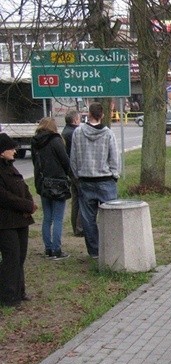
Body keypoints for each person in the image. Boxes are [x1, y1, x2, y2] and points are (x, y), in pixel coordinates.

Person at [70, 102, 120, 259]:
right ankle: (112, 248)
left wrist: (77, 175)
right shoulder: (108, 133)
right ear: (102, 115)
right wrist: (114, 174)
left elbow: (74, 157)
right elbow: (114, 157)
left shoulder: (78, 133)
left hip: (85, 180)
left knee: (88, 219)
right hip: (105, 179)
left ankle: (94, 251)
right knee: (112, 216)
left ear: (89, 114)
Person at [0, 133, 37, 307]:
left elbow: (23, 186)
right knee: (11, 258)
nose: (14, 151)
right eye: (11, 148)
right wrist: (25, 205)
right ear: (2, 152)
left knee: (20, 257)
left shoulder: (10, 167)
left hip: (21, 220)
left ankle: (19, 291)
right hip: (6, 222)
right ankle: (8, 296)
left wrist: (30, 202)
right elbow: (5, 197)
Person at [31, 117, 71, 260]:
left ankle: (48, 248)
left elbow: (35, 163)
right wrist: (71, 176)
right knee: (58, 218)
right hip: (58, 182)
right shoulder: (56, 140)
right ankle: (57, 250)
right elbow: (65, 161)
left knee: (47, 218)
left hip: (43, 182)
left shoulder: (35, 142)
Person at [62, 110, 83, 236]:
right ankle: (80, 228)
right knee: (83, 198)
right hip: (76, 169)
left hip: (69, 170)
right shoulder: (75, 133)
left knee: (75, 199)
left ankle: (75, 226)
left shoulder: (64, 132)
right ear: (75, 120)